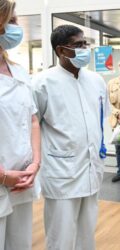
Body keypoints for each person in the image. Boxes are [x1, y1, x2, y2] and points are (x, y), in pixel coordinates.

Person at [32, 24, 108, 250]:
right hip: (61, 172)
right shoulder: (42, 83)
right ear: (61, 51)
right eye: (78, 45)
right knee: (61, 236)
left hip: (91, 168)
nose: (85, 48)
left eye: (86, 43)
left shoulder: (96, 81)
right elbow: (32, 126)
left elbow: (100, 119)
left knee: (87, 233)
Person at [0, 1, 41, 249]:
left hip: (22, 182)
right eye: (12, 21)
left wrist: (35, 164)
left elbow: (33, 120)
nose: (18, 27)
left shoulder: (19, 72)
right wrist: (3, 176)